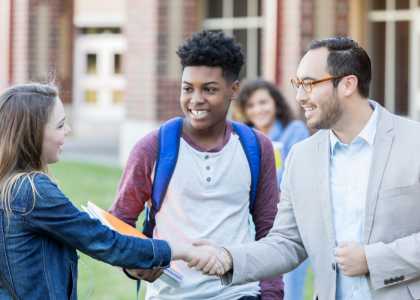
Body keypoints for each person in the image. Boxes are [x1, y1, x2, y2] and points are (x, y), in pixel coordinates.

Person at [193, 37, 420, 300]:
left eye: (309, 84)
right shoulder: (300, 157)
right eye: (298, 84)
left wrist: (374, 260)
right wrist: (229, 257)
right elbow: (286, 243)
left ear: (348, 84)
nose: (300, 96)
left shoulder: (415, 143)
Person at [0, 82, 229, 299]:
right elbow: (108, 243)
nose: (68, 130)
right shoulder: (33, 192)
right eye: (60, 125)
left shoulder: (8, 187)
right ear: (32, 134)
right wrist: (186, 251)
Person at [109, 30, 284, 300]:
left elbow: (269, 230)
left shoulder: (256, 146)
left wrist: (272, 296)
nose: (195, 99)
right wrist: (133, 266)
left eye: (209, 89)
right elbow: (119, 222)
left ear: (233, 90)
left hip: (239, 293)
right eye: (188, 88)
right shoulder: (152, 148)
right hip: (170, 295)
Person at [235, 79, 309, 300]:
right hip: (251, 225)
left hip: (288, 226)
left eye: (262, 102)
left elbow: (292, 180)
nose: (257, 109)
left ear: (275, 103)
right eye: (250, 105)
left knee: (288, 289)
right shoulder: (245, 137)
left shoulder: (294, 131)